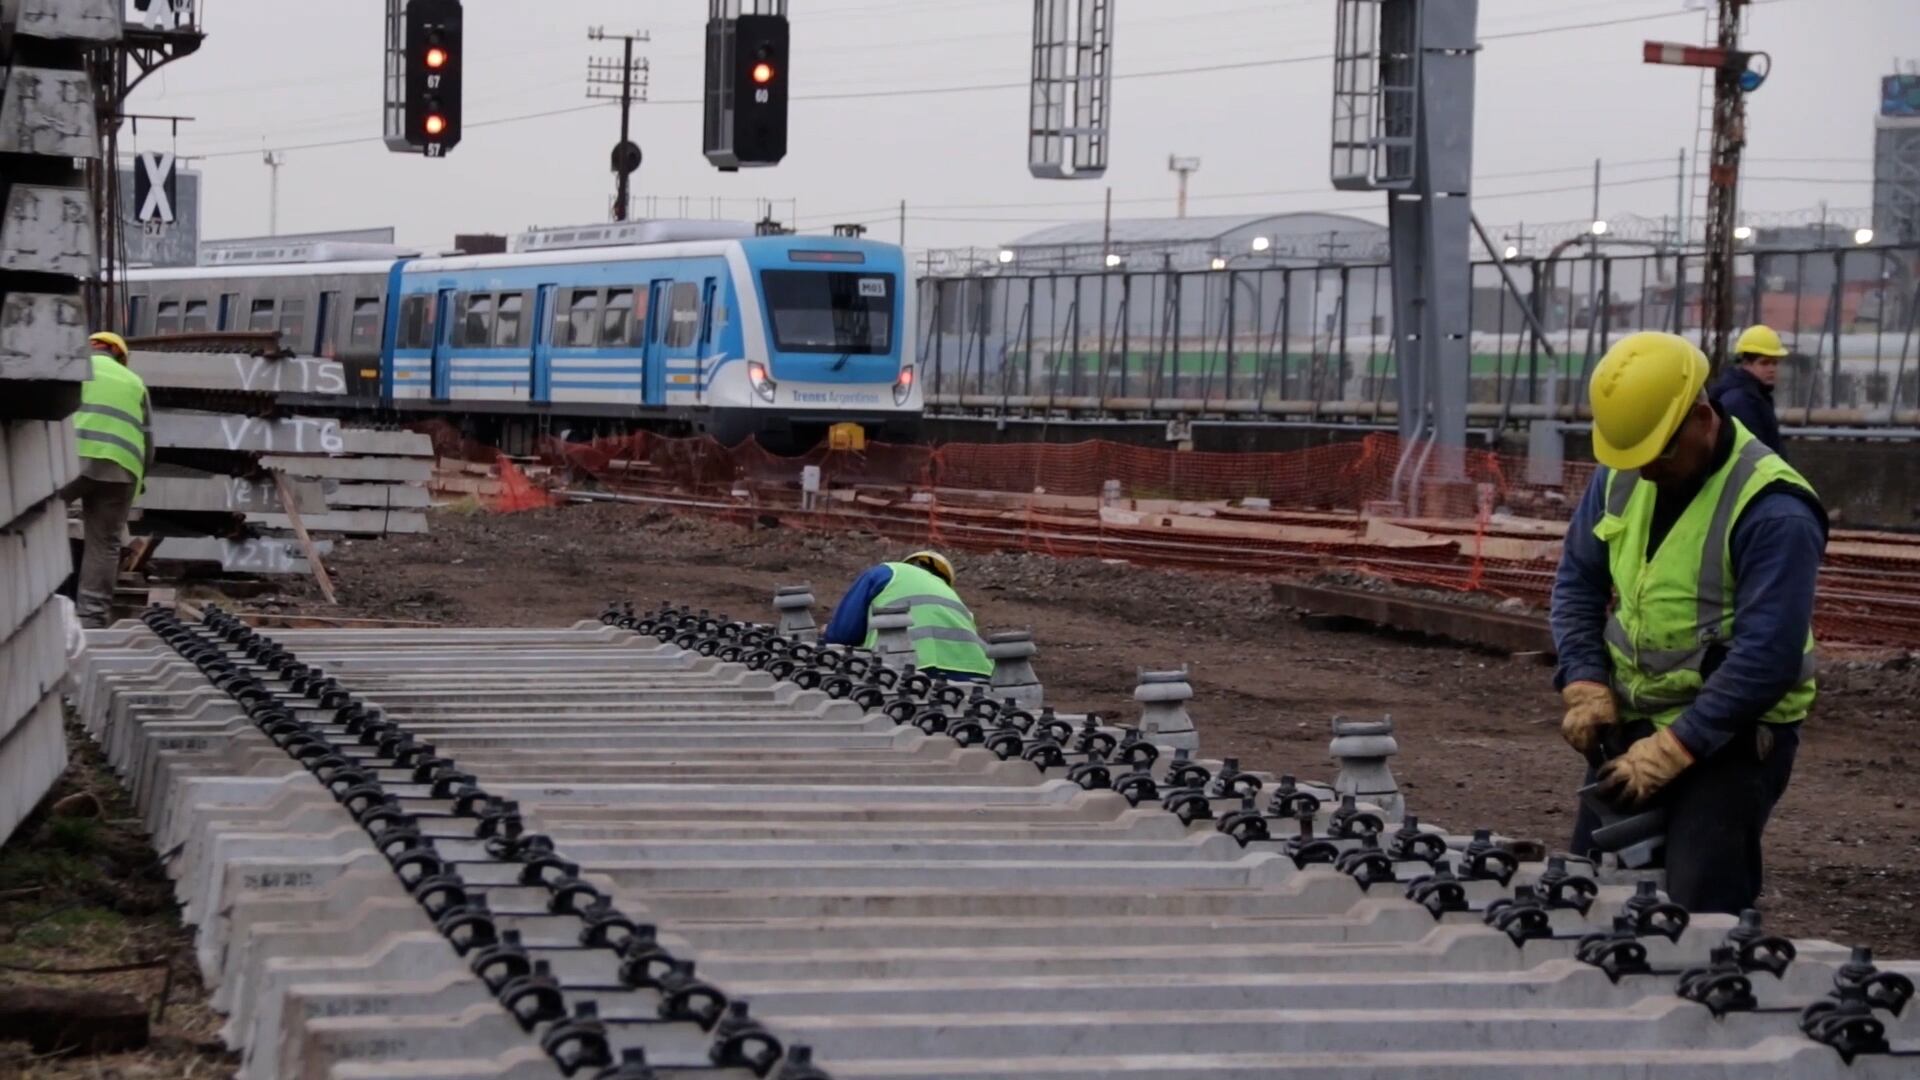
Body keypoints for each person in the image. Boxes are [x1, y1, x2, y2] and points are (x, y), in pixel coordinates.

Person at [1550, 331, 1827, 915]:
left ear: (1702, 418)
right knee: (1587, 896)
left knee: (1695, 915)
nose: (1645, 471)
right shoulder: (1624, 473)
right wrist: (1585, 682)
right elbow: (1578, 581)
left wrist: (1674, 749)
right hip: (1633, 727)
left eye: (1658, 454)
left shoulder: (1773, 510)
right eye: (1634, 457)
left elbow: (1767, 658)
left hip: (1729, 740)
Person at [63, 331, 153, 629]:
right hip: (122, 469)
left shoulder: (72, 367)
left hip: (71, 460)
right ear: (120, 356)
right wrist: (136, 481)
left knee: (34, 521)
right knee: (105, 544)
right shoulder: (135, 382)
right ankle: (91, 619)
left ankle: (32, 602)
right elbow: (149, 444)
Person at [822, 550, 994, 680]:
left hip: (903, 666)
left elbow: (844, 633)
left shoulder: (886, 572)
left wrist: (826, 633)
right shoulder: (955, 600)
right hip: (978, 673)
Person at [1709, 325, 1788, 454]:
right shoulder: (1741, 401)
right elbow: (1754, 454)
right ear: (1745, 363)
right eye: (1764, 363)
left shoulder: (1755, 396)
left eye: (1774, 363)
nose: (1772, 369)